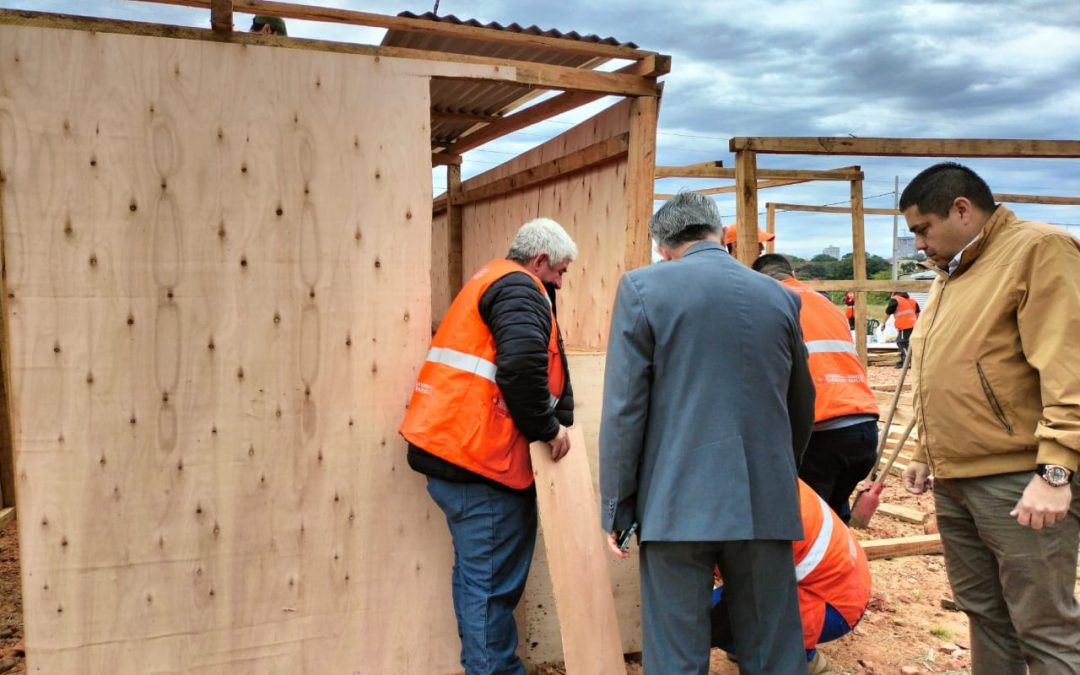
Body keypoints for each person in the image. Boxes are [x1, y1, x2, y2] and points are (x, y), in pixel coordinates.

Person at [599, 192, 816, 675]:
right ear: (719, 234)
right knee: (773, 652)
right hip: (763, 503)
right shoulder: (779, 296)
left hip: (675, 504)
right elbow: (801, 405)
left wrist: (618, 504)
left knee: (676, 654)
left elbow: (624, 410)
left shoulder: (643, 289)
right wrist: (781, 475)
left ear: (663, 247)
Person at [899, 162, 1080, 675]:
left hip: (1018, 479)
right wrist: (921, 452)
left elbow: (1071, 367)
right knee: (984, 614)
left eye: (922, 229)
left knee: (1043, 626)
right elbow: (949, 367)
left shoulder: (1038, 250)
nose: (919, 244)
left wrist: (1056, 471)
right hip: (957, 478)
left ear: (961, 209)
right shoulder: (953, 273)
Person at [400, 218, 577, 675]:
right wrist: (549, 430)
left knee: (479, 584)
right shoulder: (520, 289)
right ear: (539, 260)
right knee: (490, 591)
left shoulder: (491, 278)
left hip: (458, 453)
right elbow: (520, 369)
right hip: (480, 463)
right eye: (560, 270)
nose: (561, 281)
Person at [753, 254, 880, 523]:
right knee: (834, 514)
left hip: (821, 431)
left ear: (759, 279)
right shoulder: (825, 302)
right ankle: (843, 558)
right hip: (864, 428)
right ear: (792, 273)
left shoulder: (770, 302)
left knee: (809, 522)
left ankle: (821, 562)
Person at [711, 479, 871, 675]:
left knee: (695, 620)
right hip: (830, 579)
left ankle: (796, 658)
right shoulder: (759, 471)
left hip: (832, 602)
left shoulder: (758, 514)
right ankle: (750, 645)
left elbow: (742, 602)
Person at [884, 291, 919, 367]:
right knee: (909, 343)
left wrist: (883, 323)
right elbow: (918, 313)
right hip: (914, 325)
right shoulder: (912, 300)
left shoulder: (895, 299)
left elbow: (888, 312)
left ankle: (907, 362)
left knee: (902, 343)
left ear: (893, 293)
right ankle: (905, 361)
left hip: (905, 325)